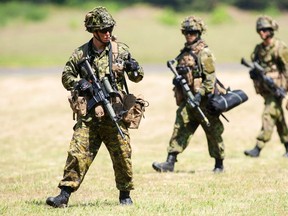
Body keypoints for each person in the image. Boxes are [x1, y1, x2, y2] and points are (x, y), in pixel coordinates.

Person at [46, 6, 144, 207]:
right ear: (93, 31)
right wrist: (78, 84)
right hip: (90, 115)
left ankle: (125, 195)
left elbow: (137, 76)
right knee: (77, 153)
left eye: (110, 28)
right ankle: (64, 195)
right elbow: (66, 76)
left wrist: (134, 68)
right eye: (103, 30)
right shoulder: (80, 53)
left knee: (122, 155)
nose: (108, 33)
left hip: (114, 113)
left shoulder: (120, 51)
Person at [152, 16, 225, 173]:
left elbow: (210, 79)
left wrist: (200, 96)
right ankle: (169, 162)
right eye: (186, 32)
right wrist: (177, 82)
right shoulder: (185, 52)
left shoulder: (204, 53)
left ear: (198, 32)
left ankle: (219, 164)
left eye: (192, 32)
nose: (188, 35)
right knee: (180, 127)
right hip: (188, 100)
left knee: (213, 131)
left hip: (204, 101)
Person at [244, 15, 288, 158]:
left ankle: (258, 147)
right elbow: (255, 67)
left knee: (268, 115)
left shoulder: (279, 47)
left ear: (271, 30)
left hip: (277, 89)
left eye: (264, 30)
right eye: (259, 30)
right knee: (278, 117)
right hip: (266, 89)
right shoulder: (259, 49)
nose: (262, 33)